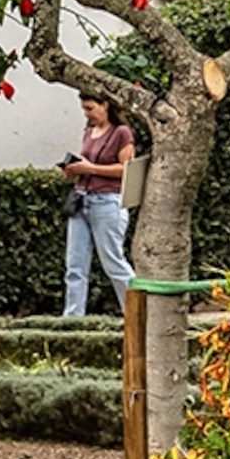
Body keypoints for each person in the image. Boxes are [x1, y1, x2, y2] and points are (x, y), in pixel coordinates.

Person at [62, 94, 136, 315]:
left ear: (105, 105)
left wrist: (90, 168)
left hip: (107, 202)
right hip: (81, 199)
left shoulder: (121, 133)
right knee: (75, 265)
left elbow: (126, 169)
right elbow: (86, 164)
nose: (86, 113)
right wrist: (72, 170)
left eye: (90, 108)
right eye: (84, 109)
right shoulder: (88, 133)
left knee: (114, 263)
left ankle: (136, 313)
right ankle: (72, 318)